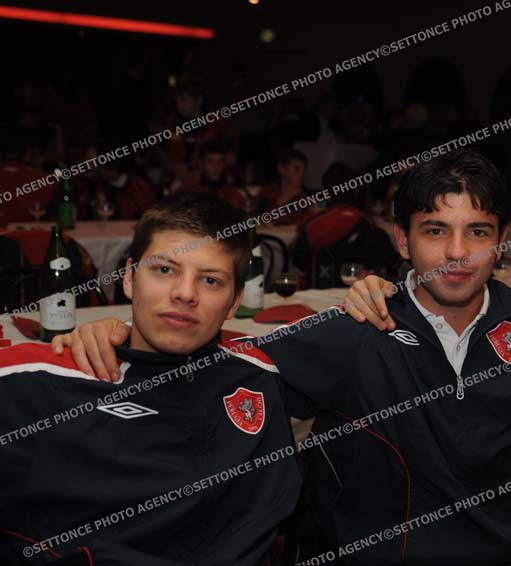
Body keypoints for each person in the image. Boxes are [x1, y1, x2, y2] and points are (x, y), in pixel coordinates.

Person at [52, 150, 511, 565]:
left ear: (503, 240)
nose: (456, 253)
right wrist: (117, 334)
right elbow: (214, 356)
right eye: (434, 231)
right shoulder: (354, 330)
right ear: (400, 240)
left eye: (477, 231)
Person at [0, 193, 302, 563]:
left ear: (235, 301)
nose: (185, 293)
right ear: (129, 278)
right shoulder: (41, 383)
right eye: (164, 270)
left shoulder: (258, 374)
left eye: (210, 280)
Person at [257, 148, 308, 224]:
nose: (302, 174)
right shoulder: (268, 192)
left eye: (304, 169)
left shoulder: (304, 196)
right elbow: (254, 217)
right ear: (281, 169)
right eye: (296, 168)